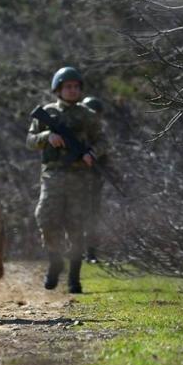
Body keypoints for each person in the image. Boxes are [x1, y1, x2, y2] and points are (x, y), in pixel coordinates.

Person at [26, 66, 107, 294]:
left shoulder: (88, 116)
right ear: (58, 89)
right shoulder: (48, 112)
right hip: (53, 175)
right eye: (67, 87)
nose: (72, 90)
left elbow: (103, 141)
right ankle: (55, 260)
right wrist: (46, 137)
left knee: (76, 226)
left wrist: (92, 154)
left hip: (80, 177)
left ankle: (74, 277)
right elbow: (30, 140)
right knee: (46, 218)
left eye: (75, 87)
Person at [80, 96, 106, 264]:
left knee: (92, 217)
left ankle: (91, 252)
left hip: (93, 181)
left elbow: (105, 152)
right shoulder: (76, 132)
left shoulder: (98, 136)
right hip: (73, 180)